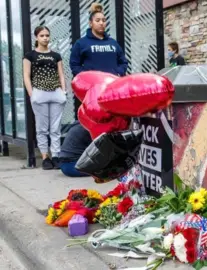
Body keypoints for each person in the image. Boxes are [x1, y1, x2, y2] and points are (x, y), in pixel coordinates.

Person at [23, 25, 67, 170]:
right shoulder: (30, 56)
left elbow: (61, 74)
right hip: (39, 92)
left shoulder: (56, 55)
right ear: (36, 37)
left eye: (47, 35)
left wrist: (64, 91)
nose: (45, 38)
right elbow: (26, 76)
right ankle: (45, 157)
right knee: (42, 128)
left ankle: (56, 155)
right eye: (42, 35)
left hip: (55, 92)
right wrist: (32, 94)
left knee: (55, 128)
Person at [69, 2, 128, 77]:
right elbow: (74, 65)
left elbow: (123, 62)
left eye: (103, 20)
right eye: (97, 20)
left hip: (112, 84)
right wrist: (87, 77)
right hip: (92, 86)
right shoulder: (81, 43)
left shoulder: (113, 43)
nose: (101, 23)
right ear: (90, 23)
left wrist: (118, 72)